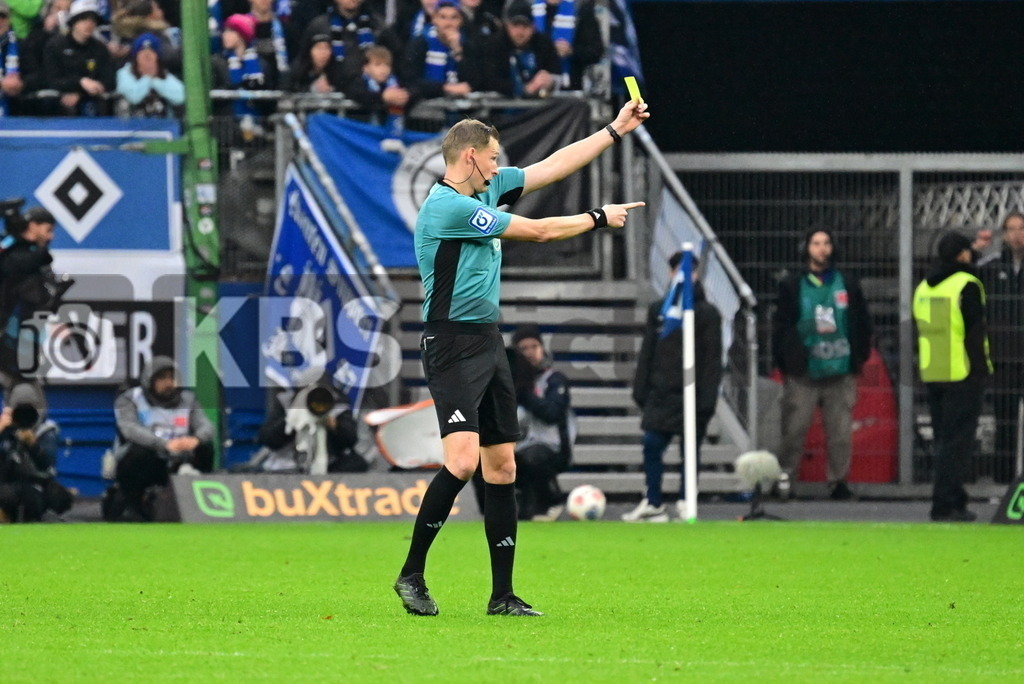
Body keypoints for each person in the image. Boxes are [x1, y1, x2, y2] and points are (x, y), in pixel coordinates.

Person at [392, 97, 649, 617]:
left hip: (488, 340)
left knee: (502, 466)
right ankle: (411, 573)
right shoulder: (449, 208)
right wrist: (598, 217)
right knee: (463, 462)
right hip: (450, 343)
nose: (498, 167)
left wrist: (614, 131)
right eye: (492, 158)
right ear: (469, 158)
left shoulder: (484, 186)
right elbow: (537, 231)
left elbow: (551, 166)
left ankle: (502, 595)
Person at [771, 228, 872, 500]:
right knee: (793, 430)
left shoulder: (847, 283)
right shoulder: (792, 285)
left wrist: (857, 357)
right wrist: (787, 361)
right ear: (806, 248)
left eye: (826, 243)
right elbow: (781, 326)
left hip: (840, 370)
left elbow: (862, 321)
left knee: (840, 433)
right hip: (803, 372)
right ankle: (785, 480)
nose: (822, 249)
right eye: (816, 243)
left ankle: (838, 482)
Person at [622, 252, 723, 522]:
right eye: (679, 269)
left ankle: (685, 501)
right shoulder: (660, 310)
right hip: (661, 393)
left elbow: (713, 360)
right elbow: (648, 351)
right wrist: (641, 389)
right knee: (652, 444)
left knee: (690, 452)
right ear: (670, 273)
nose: (685, 275)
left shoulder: (708, 314)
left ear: (697, 274)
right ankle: (653, 501)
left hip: (693, 395)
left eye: (690, 270)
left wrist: (707, 400)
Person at [912, 232, 992, 522]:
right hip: (962, 371)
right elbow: (974, 333)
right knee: (957, 442)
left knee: (943, 440)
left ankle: (950, 499)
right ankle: (946, 503)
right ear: (962, 255)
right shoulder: (967, 284)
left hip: (933, 370)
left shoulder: (924, 286)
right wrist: (982, 371)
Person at [103, 356, 215, 521]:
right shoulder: (129, 399)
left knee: (206, 447)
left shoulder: (188, 399)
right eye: (162, 378)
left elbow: (207, 426)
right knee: (139, 452)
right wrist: (164, 444)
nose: (169, 383)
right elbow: (129, 430)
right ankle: (132, 505)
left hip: (179, 457)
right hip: (148, 459)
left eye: (172, 378)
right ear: (150, 380)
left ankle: (202, 503)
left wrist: (195, 439)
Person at [506, 324, 576, 521]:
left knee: (532, 456)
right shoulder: (508, 384)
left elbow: (552, 412)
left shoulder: (554, 379)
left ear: (542, 348)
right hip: (520, 445)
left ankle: (551, 499)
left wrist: (523, 393)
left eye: (534, 346)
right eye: (523, 348)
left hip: (553, 446)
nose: (529, 353)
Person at [977, 212, 1024, 483]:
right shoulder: (991, 267)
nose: (1017, 234)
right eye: (1011, 229)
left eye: (1021, 228)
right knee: (1005, 421)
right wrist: (975, 250)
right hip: (1004, 357)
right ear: (1004, 235)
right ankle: (1004, 481)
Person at [0, 206, 59, 401]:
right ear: (33, 226)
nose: (51, 237)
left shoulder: (35, 256)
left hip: (25, 344)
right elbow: (15, 265)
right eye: (48, 230)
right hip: (8, 343)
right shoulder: (11, 252)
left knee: (30, 404)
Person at [247, 382, 365, 474]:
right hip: (288, 464)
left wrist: (334, 426)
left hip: (327, 464)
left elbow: (351, 440)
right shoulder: (286, 402)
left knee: (356, 463)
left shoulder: (337, 405)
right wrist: (292, 421)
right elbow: (267, 439)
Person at [0, 382, 74, 522]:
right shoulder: (5, 427)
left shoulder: (46, 430)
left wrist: (33, 445)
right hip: (7, 483)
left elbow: (47, 466)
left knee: (57, 497)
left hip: (35, 483)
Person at [470, 0, 558, 98]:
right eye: (515, 25)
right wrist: (524, 89)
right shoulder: (494, 45)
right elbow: (491, 80)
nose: (520, 32)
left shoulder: (544, 44)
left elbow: (556, 73)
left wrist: (550, 82)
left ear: (533, 27)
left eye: (525, 26)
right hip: (502, 108)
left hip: (539, 107)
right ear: (507, 25)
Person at [42, 0, 115, 116]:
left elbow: (109, 80)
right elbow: (51, 80)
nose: (89, 24)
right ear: (74, 21)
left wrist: (81, 92)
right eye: (84, 19)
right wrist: (80, 82)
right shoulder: (55, 46)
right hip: (58, 110)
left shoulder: (100, 48)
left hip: (94, 110)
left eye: (92, 20)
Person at [400, 0, 474, 102]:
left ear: (461, 21)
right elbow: (410, 80)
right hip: (426, 105)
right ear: (434, 19)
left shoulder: (468, 45)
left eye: (454, 18)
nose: (448, 23)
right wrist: (444, 88)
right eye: (443, 17)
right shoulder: (421, 42)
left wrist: (457, 50)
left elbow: (473, 81)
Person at [530, 0, 602, 92]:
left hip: (569, 89)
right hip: (532, 87)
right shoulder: (528, 6)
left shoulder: (580, 9)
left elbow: (596, 51)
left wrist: (571, 51)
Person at [114, 32, 183, 118]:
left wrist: (155, 80)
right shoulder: (124, 73)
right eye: (142, 53)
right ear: (136, 56)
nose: (147, 57)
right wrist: (148, 77)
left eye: (151, 53)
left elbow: (181, 96)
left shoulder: (163, 74)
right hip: (130, 124)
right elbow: (134, 97)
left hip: (163, 126)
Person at [344, 44, 410, 131]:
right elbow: (358, 94)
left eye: (387, 65)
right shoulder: (359, 82)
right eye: (378, 64)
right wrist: (383, 97)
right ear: (366, 68)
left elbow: (413, 90)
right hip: (363, 131)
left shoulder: (395, 83)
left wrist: (403, 96)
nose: (383, 69)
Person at [1, 2, 25, 116]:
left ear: (9, 19)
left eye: (3, 17)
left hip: (15, 105)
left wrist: (20, 83)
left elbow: (35, 74)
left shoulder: (21, 45)